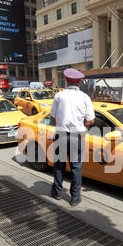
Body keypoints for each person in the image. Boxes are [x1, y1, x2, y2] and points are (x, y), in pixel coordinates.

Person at [50, 68, 95, 207]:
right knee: (76, 167)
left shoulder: (59, 96)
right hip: (77, 136)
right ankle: (75, 197)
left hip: (61, 136)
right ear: (79, 82)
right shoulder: (85, 97)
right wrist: (82, 124)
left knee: (59, 166)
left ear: (67, 81)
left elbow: (52, 118)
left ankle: (57, 192)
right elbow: (91, 120)